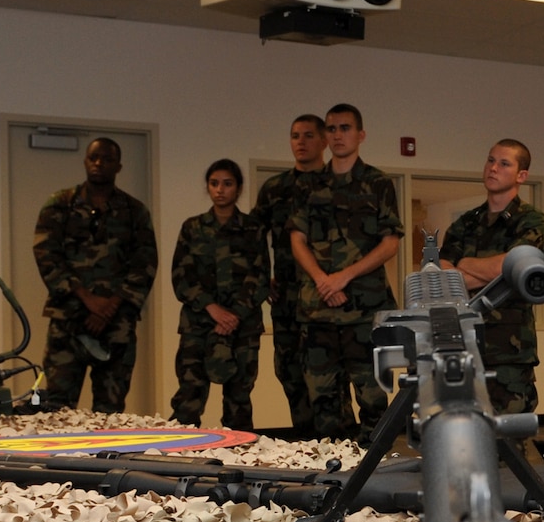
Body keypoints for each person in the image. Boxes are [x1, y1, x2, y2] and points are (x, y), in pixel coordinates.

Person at [288, 103, 401, 440]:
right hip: (318, 310)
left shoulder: (378, 183)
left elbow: (390, 243)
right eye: (332, 129)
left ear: (361, 134)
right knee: (323, 401)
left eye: (345, 128)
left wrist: (343, 277)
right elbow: (297, 239)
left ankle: (376, 466)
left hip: (363, 310)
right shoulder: (308, 185)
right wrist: (323, 280)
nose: (338, 135)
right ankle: (336, 467)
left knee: (372, 398)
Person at [31, 137, 157, 412]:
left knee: (110, 411)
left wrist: (109, 307)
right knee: (57, 409)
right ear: (85, 161)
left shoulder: (135, 211)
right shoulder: (60, 204)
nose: (99, 164)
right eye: (93, 158)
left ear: (118, 166)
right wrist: (87, 299)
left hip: (116, 323)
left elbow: (145, 263)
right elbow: (46, 254)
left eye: (107, 159)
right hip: (69, 320)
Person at [437, 139, 544, 415]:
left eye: (504, 163)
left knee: (509, 432)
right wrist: (496, 271)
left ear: (522, 175)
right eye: (490, 160)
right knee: (462, 429)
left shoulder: (532, 221)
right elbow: (442, 273)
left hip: (509, 350)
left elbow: (512, 267)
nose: (493, 168)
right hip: (462, 344)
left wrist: (465, 264)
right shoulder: (466, 222)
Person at [169, 159, 265, 430]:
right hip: (199, 324)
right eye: (214, 184)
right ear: (207, 187)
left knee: (239, 403)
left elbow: (259, 278)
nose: (220, 190)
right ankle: (181, 454)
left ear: (239, 188)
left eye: (227, 184)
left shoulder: (253, 229)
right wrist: (212, 308)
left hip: (242, 328)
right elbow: (181, 277)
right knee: (188, 400)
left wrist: (233, 315)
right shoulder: (193, 228)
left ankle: (238, 455)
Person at [250, 115, 326, 433]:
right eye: (295, 136)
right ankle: (305, 440)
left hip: (325, 297)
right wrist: (262, 277)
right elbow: (252, 236)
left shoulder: (335, 184)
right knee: (289, 371)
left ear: (323, 140)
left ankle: (338, 442)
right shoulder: (275, 188)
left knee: (327, 376)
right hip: (287, 298)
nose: (301, 142)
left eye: (308, 135)